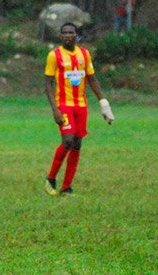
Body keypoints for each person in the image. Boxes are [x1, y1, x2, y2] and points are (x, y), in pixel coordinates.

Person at [42, 23, 114, 197]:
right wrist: (55, 109)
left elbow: (92, 79)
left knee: (77, 144)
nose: (67, 35)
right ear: (61, 36)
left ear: (76, 36)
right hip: (64, 105)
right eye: (64, 33)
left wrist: (104, 103)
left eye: (71, 33)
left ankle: (67, 187)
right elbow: (48, 83)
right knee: (67, 141)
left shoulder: (84, 54)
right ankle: (50, 178)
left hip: (81, 105)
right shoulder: (54, 56)